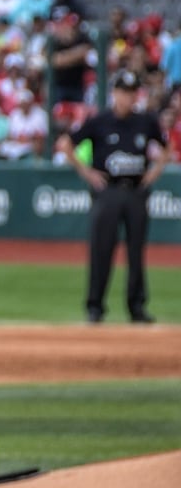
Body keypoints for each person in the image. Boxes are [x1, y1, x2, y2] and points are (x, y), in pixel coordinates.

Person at [56, 70, 172, 324]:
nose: (128, 98)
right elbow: (66, 144)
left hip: (135, 190)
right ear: (114, 94)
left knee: (135, 252)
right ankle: (95, 307)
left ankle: (137, 307)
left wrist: (153, 174)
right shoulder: (100, 121)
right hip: (107, 190)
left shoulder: (146, 121)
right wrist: (87, 173)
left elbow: (167, 147)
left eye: (132, 93)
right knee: (101, 249)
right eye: (124, 92)